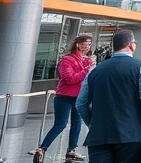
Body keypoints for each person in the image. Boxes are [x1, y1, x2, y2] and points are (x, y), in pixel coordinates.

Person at [76, 30, 141, 163]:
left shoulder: (94, 71)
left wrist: (93, 124)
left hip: (98, 136)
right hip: (130, 136)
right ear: (131, 45)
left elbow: (81, 103)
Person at [33, 35, 95, 163]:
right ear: (78, 44)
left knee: (77, 124)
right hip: (64, 97)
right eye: (86, 43)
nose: (88, 46)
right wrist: (86, 69)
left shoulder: (85, 60)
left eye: (90, 44)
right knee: (60, 124)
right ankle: (42, 149)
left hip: (79, 97)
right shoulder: (67, 60)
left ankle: (71, 150)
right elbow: (70, 79)